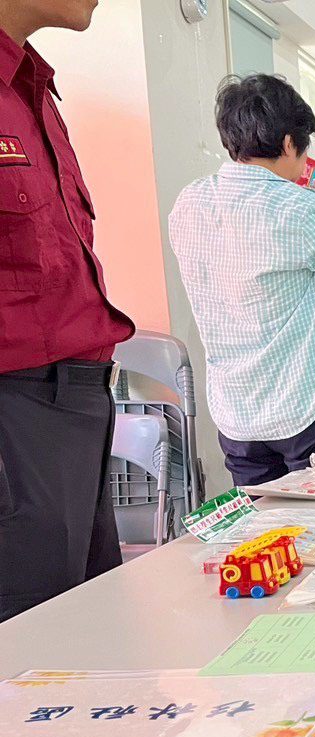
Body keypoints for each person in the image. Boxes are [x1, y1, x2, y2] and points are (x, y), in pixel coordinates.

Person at [170, 76, 315, 487]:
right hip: (310, 409)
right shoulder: (301, 208)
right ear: (290, 143)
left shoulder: (188, 203)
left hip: (238, 414)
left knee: (264, 543)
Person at [0, 0, 135, 622]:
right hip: (19, 418)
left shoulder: (33, 91)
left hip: (79, 406)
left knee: (89, 643)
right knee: (28, 660)